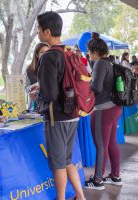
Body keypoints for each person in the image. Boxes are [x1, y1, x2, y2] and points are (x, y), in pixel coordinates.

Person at [36, 11, 85, 200]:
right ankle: (80, 196)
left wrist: (38, 94)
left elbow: (49, 94)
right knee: (67, 160)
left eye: (39, 29)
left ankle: (61, 198)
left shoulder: (48, 56)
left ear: (47, 32)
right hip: (73, 113)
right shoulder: (68, 52)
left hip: (57, 116)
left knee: (58, 164)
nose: (38, 33)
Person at [84, 32, 122, 190]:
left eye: (88, 52)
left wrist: (85, 84)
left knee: (101, 145)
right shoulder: (111, 62)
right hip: (114, 108)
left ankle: (98, 180)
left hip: (103, 110)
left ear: (94, 52)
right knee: (111, 143)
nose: (87, 55)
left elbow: (96, 88)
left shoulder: (99, 63)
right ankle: (115, 176)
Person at [24, 42, 49, 111]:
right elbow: (26, 88)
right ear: (37, 54)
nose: (45, 55)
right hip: (33, 107)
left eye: (47, 52)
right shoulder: (29, 69)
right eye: (42, 52)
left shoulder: (52, 68)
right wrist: (35, 86)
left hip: (47, 106)